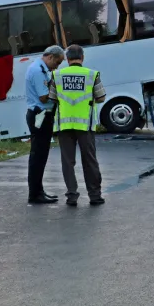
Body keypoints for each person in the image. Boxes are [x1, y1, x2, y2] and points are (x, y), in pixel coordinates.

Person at [49, 45, 106, 206]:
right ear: (82, 57)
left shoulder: (57, 75)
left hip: (64, 126)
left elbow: (52, 98)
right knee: (90, 160)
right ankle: (95, 196)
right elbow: (101, 97)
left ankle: (72, 196)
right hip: (85, 126)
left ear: (67, 59)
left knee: (68, 162)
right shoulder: (92, 75)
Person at [26, 45, 65, 204]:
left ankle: (38, 191)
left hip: (42, 115)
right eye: (57, 62)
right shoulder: (37, 71)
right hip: (40, 115)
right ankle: (35, 194)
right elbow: (43, 97)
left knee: (41, 156)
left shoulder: (42, 69)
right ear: (50, 57)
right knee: (38, 156)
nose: (58, 66)